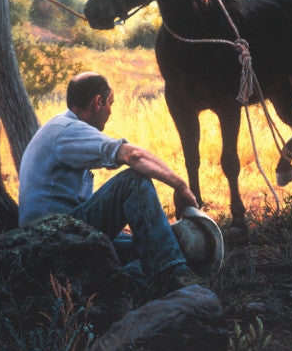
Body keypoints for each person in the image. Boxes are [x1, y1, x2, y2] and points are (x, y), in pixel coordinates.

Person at [18, 72, 198, 297]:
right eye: (110, 103)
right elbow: (132, 156)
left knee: (141, 248)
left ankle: (150, 274)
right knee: (132, 180)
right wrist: (181, 186)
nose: (110, 111)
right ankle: (170, 276)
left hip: (52, 235)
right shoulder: (67, 131)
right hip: (53, 237)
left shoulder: (60, 127)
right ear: (98, 102)